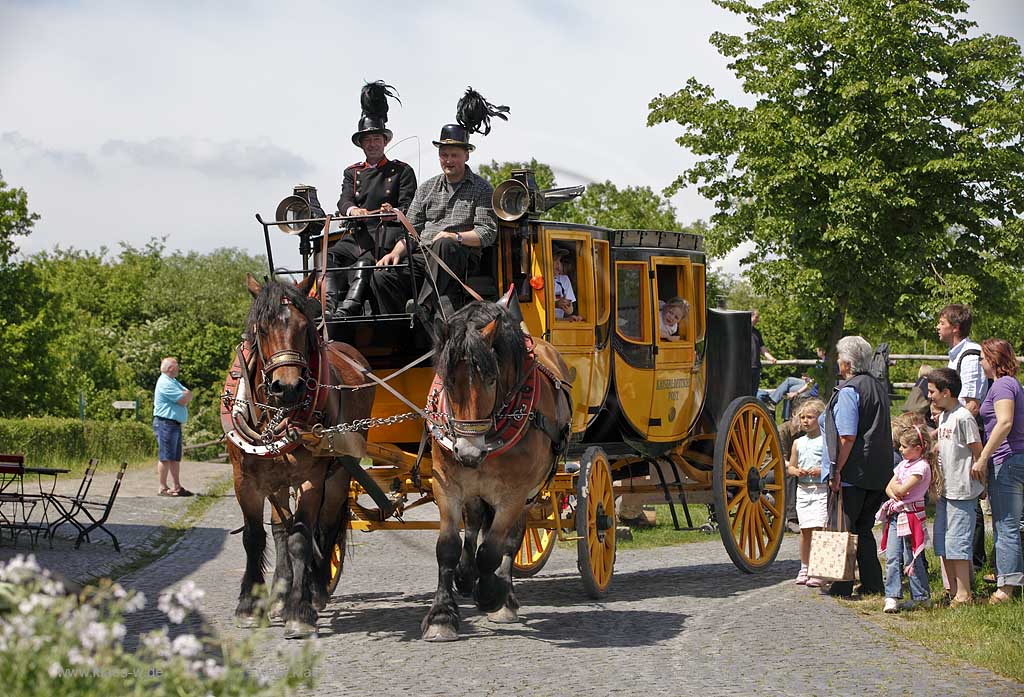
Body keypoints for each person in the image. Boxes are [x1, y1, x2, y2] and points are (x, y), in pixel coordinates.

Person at [373, 88, 507, 316]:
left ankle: (423, 307)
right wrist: (395, 252)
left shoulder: (482, 188)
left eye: (454, 155)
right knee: (382, 274)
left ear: (466, 155)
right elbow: (412, 229)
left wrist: (454, 236)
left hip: (458, 256)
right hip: (424, 255)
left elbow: (486, 233)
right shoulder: (427, 187)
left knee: (444, 244)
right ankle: (398, 329)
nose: (448, 160)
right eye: (444, 155)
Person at [324, 81, 417, 318]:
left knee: (365, 259)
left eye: (377, 139)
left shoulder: (401, 171)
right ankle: (328, 306)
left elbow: (411, 207)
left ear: (385, 141)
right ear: (361, 144)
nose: (372, 144)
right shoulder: (351, 172)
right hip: (359, 234)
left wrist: (393, 210)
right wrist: (354, 210)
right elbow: (343, 201)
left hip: (388, 235)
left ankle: (351, 306)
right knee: (331, 255)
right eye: (368, 140)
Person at [819, 335, 891, 598]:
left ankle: (840, 584)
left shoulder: (850, 390)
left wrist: (836, 469)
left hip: (853, 472)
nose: (838, 363)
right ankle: (872, 584)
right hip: (876, 471)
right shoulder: (877, 386)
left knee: (843, 528)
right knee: (863, 529)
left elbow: (846, 436)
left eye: (839, 358)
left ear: (847, 363)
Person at [937, 303, 990, 571]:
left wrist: (946, 425)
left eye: (942, 322)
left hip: (967, 437)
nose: (938, 326)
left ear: (955, 327)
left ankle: (975, 564)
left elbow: (971, 403)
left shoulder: (970, 356)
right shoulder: (956, 355)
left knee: (970, 494)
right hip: (954, 434)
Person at [927, 367, 983, 607]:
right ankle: (951, 591)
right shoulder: (946, 416)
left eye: (932, 392)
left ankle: (964, 594)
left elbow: (977, 452)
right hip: (946, 491)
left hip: (962, 491)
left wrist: (982, 482)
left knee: (958, 543)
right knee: (943, 541)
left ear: (946, 392)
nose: (929, 396)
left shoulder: (963, 417)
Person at [976, 338, 1024, 605]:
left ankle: (1006, 589)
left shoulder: (1004, 384)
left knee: (1006, 527)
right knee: (1014, 525)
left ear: (993, 359)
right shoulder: (1011, 384)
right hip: (1014, 459)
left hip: (1007, 461)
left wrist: (983, 457)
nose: (981, 362)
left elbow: (1004, 421)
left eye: (983, 358)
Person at [879, 421, 934, 612]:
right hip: (897, 515)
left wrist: (896, 489)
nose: (900, 450)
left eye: (904, 446)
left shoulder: (921, 467)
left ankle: (921, 596)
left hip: (912, 516)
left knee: (912, 557)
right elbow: (889, 488)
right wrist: (895, 490)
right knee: (893, 556)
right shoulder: (903, 464)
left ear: (917, 448)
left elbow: (901, 489)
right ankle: (892, 595)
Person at [787, 399, 827, 587]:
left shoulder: (825, 441)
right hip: (803, 490)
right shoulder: (798, 443)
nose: (805, 421)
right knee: (805, 530)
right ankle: (804, 566)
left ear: (820, 419)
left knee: (819, 528)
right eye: (802, 417)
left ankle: (818, 569)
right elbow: (791, 467)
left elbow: (830, 465)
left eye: (810, 417)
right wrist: (797, 471)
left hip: (820, 490)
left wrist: (820, 470)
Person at [153, 357, 193, 497]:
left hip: (173, 424)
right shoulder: (165, 382)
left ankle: (177, 486)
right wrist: (186, 395)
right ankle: (163, 487)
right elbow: (184, 399)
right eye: (176, 366)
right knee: (165, 456)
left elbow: (188, 394)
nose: (178, 368)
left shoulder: (173, 382)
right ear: (170, 368)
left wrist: (187, 395)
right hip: (165, 423)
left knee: (175, 457)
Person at [750, 310, 777, 395]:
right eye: (756, 317)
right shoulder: (741, 331)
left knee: (754, 393)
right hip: (745, 367)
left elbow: (763, 349)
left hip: (756, 367)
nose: (758, 320)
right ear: (750, 317)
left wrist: (771, 358)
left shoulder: (757, 332)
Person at [552, 247, 582, 322]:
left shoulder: (564, 280)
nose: (558, 264)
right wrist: (555, 304)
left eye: (559, 260)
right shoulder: (535, 281)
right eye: (555, 260)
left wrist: (568, 311)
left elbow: (570, 310)